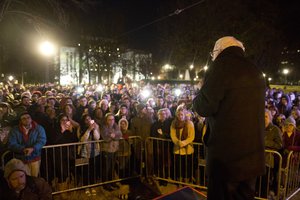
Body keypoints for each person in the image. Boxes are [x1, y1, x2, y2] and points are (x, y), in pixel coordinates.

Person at [193, 36, 266, 200]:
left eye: (212, 54)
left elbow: (203, 107)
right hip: (252, 157)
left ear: (218, 51)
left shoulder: (220, 67)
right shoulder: (254, 69)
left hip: (226, 160)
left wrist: (201, 90)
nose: (212, 58)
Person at [8, 112, 47, 177]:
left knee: (34, 178)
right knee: (24, 178)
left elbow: (42, 140)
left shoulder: (39, 128)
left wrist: (33, 148)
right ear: (20, 121)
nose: (26, 119)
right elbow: (12, 143)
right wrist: (23, 149)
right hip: (21, 159)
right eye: (24, 118)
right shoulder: (15, 130)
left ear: (31, 119)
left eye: (28, 118)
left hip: (35, 157)